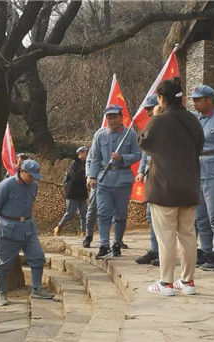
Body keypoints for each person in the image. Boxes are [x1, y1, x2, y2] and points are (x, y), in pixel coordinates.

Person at [138, 77, 204, 296]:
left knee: (166, 236)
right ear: (182, 97)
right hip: (189, 187)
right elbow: (200, 146)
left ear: (161, 98)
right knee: (188, 235)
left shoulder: (159, 120)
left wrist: (155, 117)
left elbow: (143, 142)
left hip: (164, 189)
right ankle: (187, 281)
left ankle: (166, 283)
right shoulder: (193, 120)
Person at [0, 159, 55, 306]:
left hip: (28, 227)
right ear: (22, 171)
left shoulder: (33, 186)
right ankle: (2, 292)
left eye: (34, 177)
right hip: (8, 228)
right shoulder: (6, 185)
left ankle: (37, 288)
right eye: (30, 175)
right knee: (3, 264)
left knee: (38, 257)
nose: (32, 179)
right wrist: (5, 219)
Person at [87, 104, 142, 259]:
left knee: (120, 215)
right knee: (103, 213)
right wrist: (92, 176)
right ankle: (104, 244)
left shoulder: (130, 135)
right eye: (109, 117)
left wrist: (123, 157)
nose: (112, 120)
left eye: (114, 117)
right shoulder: (100, 135)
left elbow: (138, 154)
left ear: (121, 117)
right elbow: (95, 157)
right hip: (104, 179)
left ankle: (117, 243)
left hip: (122, 180)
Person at [191, 85, 214, 272]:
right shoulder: (197, 120)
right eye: (194, 99)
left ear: (210, 100)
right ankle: (205, 251)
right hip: (198, 171)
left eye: (199, 99)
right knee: (201, 217)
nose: (195, 103)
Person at [135, 95, 161, 267]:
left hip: (164, 177)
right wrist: (140, 172)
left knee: (164, 218)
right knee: (150, 216)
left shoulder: (167, 127)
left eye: (151, 109)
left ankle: (165, 252)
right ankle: (154, 249)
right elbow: (145, 154)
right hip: (151, 177)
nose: (148, 112)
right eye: (147, 110)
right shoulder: (149, 127)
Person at [54, 146, 88, 236]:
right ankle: (59, 226)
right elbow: (75, 177)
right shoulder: (74, 164)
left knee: (84, 213)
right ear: (80, 153)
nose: (86, 153)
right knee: (70, 213)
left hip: (82, 192)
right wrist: (86, 178)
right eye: (85, 152)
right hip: (73, 191)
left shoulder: (85, 163)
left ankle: (83, 231)